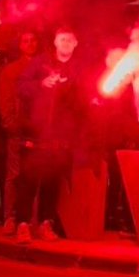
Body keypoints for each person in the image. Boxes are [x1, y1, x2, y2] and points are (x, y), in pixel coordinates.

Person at [14, 26, 88, 244]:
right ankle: (23, 224)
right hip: (35, 133)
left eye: (70, 40)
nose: (65, 43)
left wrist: (73, 90)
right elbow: (20, 86)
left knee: (52, 182)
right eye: (62, 39)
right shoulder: (40, 62)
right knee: (28, 180)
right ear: (55, 42)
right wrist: (41, 84)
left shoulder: (77, 70)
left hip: (60, 135)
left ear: (76, 44)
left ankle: (46, 223)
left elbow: (82, 103)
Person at [0, 30, 39, 234]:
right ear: (20, 45)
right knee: (14, 174)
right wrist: (10, 123)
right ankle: (10, 217)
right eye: (25, 40)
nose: (30, 44)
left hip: (36, 130)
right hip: (18, 127)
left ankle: (31, 218)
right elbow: (5, 99)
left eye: (33, 40)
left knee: (33, 175)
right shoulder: (11, 70)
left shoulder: (43, 69)